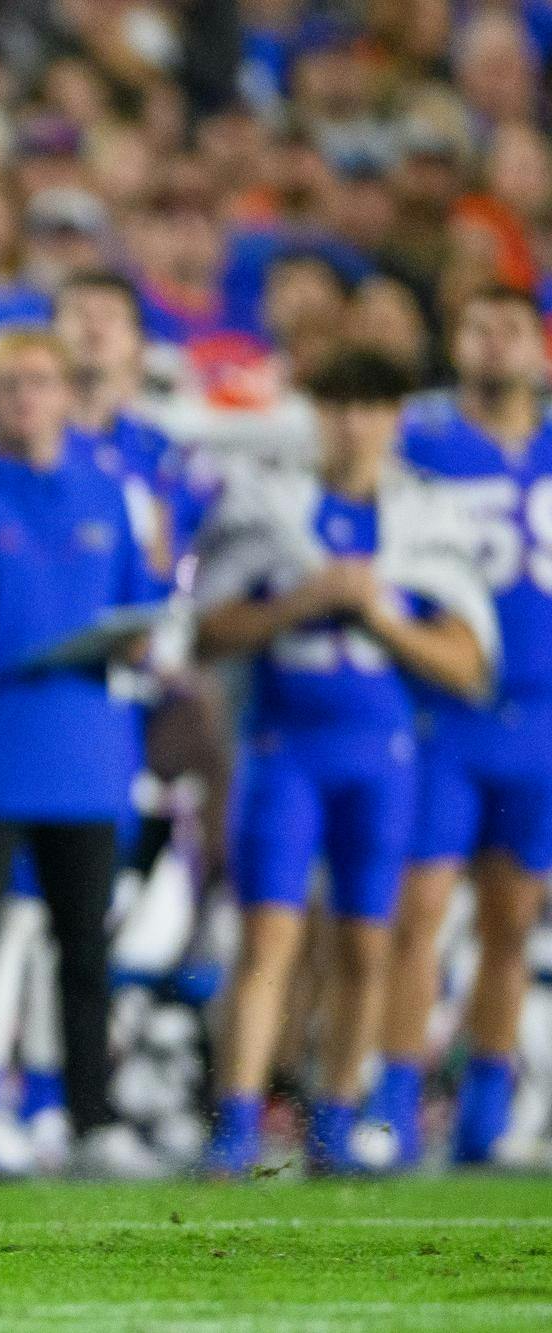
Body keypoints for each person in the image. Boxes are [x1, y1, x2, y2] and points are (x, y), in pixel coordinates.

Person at [194, 348, 494, 1175]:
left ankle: (336, 1120)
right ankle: (237, 1122)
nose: (354, 423)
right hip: (284, 747)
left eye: (371, 406)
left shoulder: (426, 516)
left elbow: (467, 662)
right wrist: (303, 600)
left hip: (383, 754)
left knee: (368, 943)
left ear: (396, 417)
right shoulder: (267, 504)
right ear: (315, 413)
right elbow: (207, 630)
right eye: (338, 405)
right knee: (267, 939)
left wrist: (381, 618)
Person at [0, 326, 165, 1182]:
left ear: (67, 394)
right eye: (7, 384)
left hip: (87, 750)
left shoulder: (106, 494)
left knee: (87, 952)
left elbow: (141, 610)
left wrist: (145, 637)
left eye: (40, 381)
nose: (26, 398)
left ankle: (94, 1119)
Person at [372, 285, 552, 1166]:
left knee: (513, 920)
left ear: (539, 348)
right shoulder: (420, 438)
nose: (495, 345)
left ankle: (485, 1103)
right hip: (446, 709)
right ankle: (394, 1101)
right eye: (480, 328)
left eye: (511, 329)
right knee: (421, 911)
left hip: (542, 713)